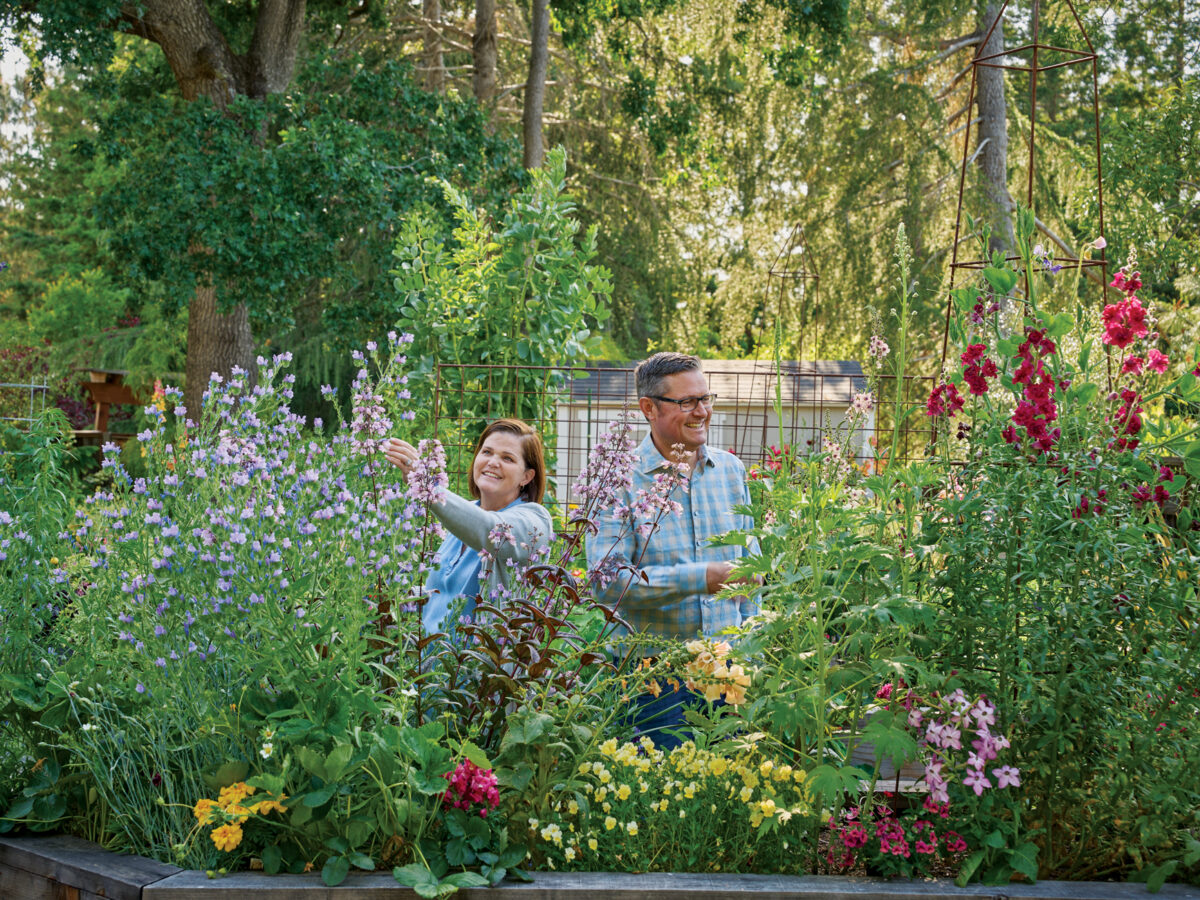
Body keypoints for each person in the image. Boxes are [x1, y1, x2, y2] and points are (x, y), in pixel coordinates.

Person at [586, 352, 758, 746]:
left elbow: (751, 571)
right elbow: (607, 581)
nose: (702, 411)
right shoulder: (619, 480)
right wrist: (701, 578)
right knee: (657, 783)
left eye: (705, 398)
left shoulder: (730, 471)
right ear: (649, 408)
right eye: (687, 402)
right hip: (654, 681)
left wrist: (751, 655)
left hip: (727, 672)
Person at [385, 419, 554, 634]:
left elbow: (491, 529)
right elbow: (443, 592)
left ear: (526, 477)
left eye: (507, 458)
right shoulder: (461, 518)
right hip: (427, 655)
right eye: (487, 452)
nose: (493, 462)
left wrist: (426, 483)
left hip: (484, 655)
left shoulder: (534, 522)